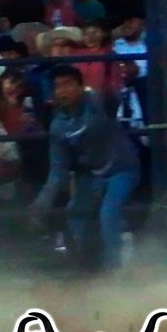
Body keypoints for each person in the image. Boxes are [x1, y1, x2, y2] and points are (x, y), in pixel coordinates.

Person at [28, 65, 141, 271]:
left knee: (109, 213)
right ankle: (89, 265)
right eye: (58, 87)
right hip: (93, 174)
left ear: (80, 86)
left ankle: (115, 270)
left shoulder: (97, 103)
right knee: (76, 214)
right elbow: (58, 171)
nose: (62, 91)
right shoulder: (58, 126)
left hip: (122, 168)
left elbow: (111, 96)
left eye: (68, 84)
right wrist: (42, 203)